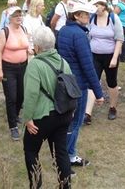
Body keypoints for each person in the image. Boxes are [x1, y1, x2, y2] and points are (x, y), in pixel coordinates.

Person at [22, 26, 73, 189]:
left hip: (42, 118)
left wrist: (27, 118)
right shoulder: (63, 61)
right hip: (63, 114)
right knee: (61, 153)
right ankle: (65, 186)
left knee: (31, 150)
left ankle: (36, 185)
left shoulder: (34, 65)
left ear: (37, 47)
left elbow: (30, 94)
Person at [57, 0, 104, 168]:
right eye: (86, 14)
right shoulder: (79, 35)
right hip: (77, 85)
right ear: (76, 16)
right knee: (75, 122)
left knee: (66, 121)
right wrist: (98, 93)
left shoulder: (63, 30)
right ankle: (67, 156)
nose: (89, 17)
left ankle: (62, 153)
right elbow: (88, 66)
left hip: (64, 81)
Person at [84, 0, 124, 123]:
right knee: (92, 81)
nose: (95, 8)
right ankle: (87, 113)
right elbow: (89, 36)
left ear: (104, 6)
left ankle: (112, 107)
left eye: (97, 5)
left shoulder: (114, 18)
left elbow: (119, 39)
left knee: (111, 82)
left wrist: (114, 58)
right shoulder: (91, 18)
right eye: (94, 5)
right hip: (94, 55)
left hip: (110, 56)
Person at [0, 6, 30, 141]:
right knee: (11, 97)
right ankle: (13, 126)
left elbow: (27, 46)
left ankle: (15, 115)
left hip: (23, 66)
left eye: (20, 15)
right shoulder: (5, 32)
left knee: (21, 95)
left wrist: (30, 52)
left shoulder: (24, 29)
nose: (19, 17)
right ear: (10, 18)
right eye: (16, 16)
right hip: (8, 68)